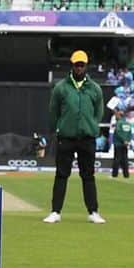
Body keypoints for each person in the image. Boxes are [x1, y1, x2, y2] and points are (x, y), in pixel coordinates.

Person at [44, 50, 106, 224]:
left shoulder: (94, 89)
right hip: (66, 137)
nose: (79, 68)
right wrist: (59, 128)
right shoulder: (61, 88)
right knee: (61, 175)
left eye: (82, 65)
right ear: (72, 65)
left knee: (88, 176)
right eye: (77, 64)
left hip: (87, 138)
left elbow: (98, 113)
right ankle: (55, 211)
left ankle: (93, 212)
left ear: (86, 66)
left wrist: (90, 126)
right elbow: (53, 111)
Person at [110, 106, 132, 178]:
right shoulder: (127, 123)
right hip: (125, 144)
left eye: (117, 115)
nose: (116, 116)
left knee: (117, 159)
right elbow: (130, 134)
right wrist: (127, 141)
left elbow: (118, 133)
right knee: (125, 159)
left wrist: (123, 140)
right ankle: (126, 175)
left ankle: (114, 174)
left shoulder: (118, 123)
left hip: (118, 143)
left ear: (119, 116)